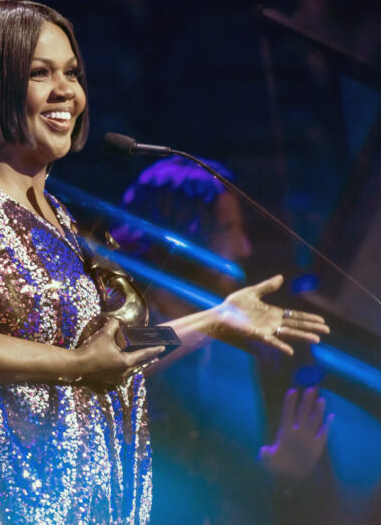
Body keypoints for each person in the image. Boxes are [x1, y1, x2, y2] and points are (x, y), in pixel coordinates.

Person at [0, 0, 329, 525]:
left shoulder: (60, 221)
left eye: (72, 72)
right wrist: (75, 367)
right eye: (40, 73)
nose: (67, 91)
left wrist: (215, 320)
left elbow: (107, 353)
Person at [115, 157, 337, 524]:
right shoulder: (118, 302)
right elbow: (118, 352)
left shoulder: (225, 348)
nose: (244, 248)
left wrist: (280, 471)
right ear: (184, 232)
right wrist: (214, 323)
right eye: (228, 228)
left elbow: (213, 488)